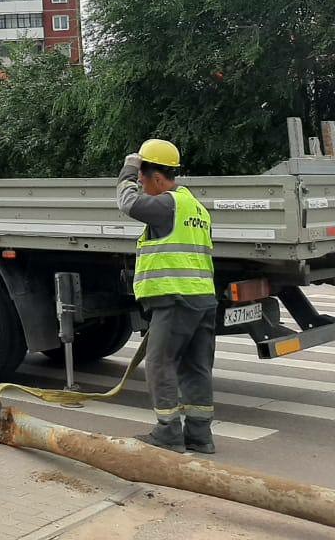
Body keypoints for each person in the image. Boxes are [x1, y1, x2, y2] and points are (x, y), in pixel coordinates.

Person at [117, 139, 217, 454]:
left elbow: (126, 203)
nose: (142, 185)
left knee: (160, 364)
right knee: (196, 367)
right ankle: (200, 436)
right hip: (203, 299)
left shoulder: (167, 204)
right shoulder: (196, 207)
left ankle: (169, 433)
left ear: (157, 177)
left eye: (144, 179)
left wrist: (128, 169)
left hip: (175, 299)